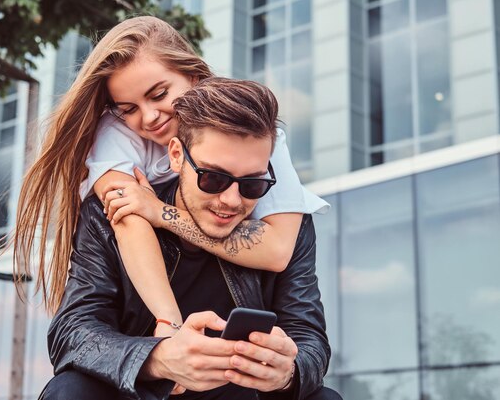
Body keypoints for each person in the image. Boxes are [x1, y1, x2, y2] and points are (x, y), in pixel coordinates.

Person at [12, 16, 329, 340]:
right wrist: (170, 325)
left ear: (192, 75)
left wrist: (161, 213)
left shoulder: (253, 134)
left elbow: (277, 251)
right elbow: (127, 218)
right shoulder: (116, 134)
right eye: (128, 108)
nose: (148, 117)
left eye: (159, 94)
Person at [40, 77, 340, 400]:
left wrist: (288, 372)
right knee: (69, 391)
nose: (231, 200)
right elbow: (72, 331)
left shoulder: (288, 226)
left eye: (252, 184)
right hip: (145, 394)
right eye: (212, 178)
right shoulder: (110, 211)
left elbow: (310, 339)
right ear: (176, 155)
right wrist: (158, 359)